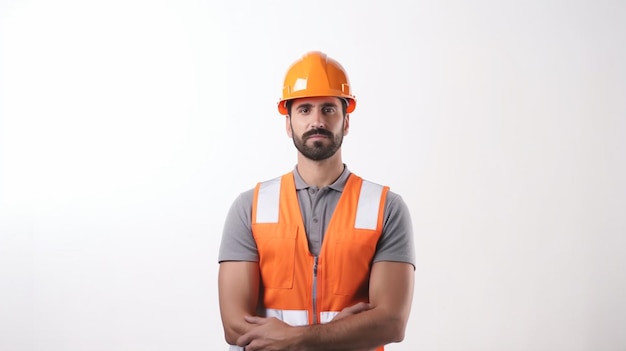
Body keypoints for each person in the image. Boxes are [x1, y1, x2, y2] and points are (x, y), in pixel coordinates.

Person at [217, 51, 416, 351]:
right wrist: (340, 333)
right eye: (305, 110)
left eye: (329, 110)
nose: (317, 121)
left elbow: (391, 323)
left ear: (346, 122)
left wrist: (296, 339)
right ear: (288, 123)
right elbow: (235, 327)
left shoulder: (386, 208)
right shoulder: (250, 208)